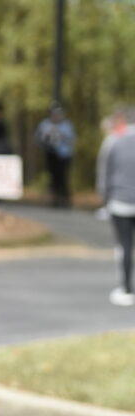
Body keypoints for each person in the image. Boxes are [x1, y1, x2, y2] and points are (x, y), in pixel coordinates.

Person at [96, 106, 135, 306]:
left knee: (125, 246)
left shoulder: (113, 142)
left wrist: (104, 201)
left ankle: (127, 288)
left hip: (120, 203)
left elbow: (104, 175)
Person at [35, 105, 75, 207]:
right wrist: (46, 142)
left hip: (63, 155)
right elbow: (38, 138)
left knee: (63, 178)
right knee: (53, 178)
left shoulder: (66, 125)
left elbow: (71, 139)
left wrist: (61, 137)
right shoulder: (45, 124)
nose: (56, 116)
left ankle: (65, 200)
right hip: (51, 154)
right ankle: (54, 199)